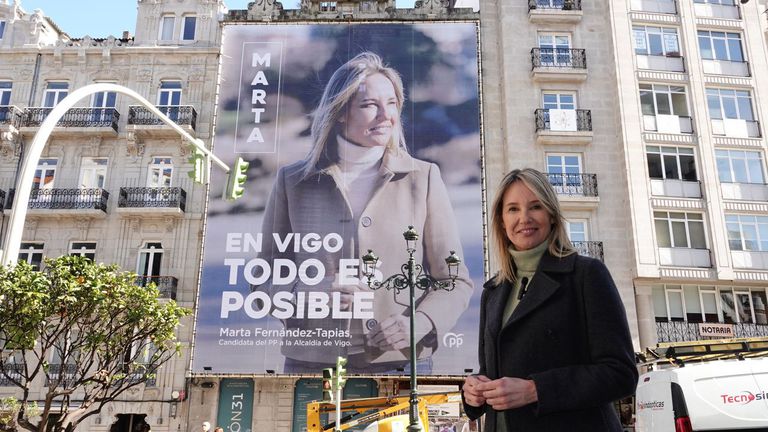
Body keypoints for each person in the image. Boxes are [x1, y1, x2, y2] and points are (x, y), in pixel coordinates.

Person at [257, 52, 473, 373]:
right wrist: (312, 291)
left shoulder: (424, 178)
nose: (385, 116)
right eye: (369, 104)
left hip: (401, 363)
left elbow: (454, 281)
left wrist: (421, 321)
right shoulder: (292, 181)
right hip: (311, 364)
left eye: (392, 104)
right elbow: (262, 280)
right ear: (341, 111)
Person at [462, 168, 638, 431]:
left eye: (535, 207)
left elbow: (621, 373)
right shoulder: (493, 291)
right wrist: (474, 391)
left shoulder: (586, 275)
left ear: (552, 216)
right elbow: (489, 370)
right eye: (512, 209)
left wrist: (536, 390)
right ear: (501, 221)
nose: (524, 218)